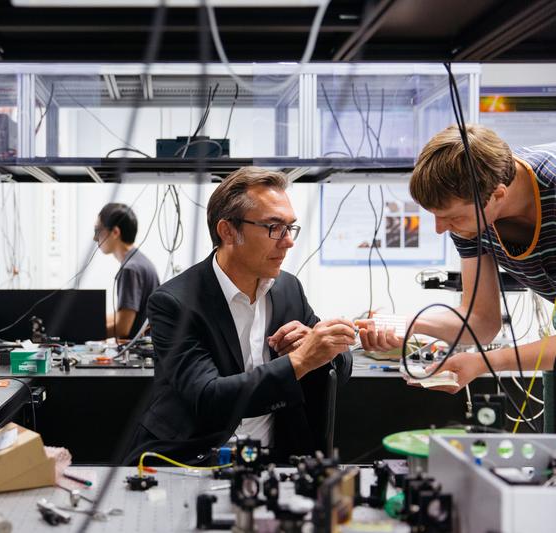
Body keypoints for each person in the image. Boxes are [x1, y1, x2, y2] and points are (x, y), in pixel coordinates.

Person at [125, 167, 354, 464]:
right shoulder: (174, 302)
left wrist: (322, 348)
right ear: (228, 231)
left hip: (274, 458)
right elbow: (209, 398)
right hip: (191, 457)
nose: (288, 241)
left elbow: (338, 372)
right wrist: (299, 361)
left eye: (290, 227)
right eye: (274, 227)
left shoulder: (288, 289)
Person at [357, 124, 556, 392]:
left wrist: (483, 362)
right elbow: (481, 320)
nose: (441, 229)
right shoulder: (471, 214)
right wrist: (406, 324)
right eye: (436, 216)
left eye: (452, 218)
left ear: (498, 195)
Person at [93, 202, 160, 340]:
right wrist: (89, 321)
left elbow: (123, 327)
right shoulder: (140, 262)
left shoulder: (131, 269)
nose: (95, 238)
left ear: (115, 232)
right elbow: (122, 315)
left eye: (97, 230)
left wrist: (82, 334)